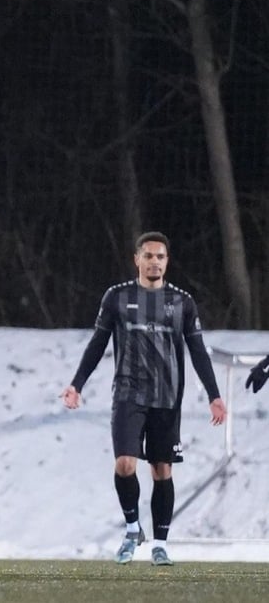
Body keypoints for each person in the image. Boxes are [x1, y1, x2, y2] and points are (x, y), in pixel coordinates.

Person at [62, 231, 227, 567]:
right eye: (148, 256)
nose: (154, 262)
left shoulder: (182, 302)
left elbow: (197, 351)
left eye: (160, 256)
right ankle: (132, 528)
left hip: (166, 398)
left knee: (161, 470)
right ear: (136, 259)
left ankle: (160, 543)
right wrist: (77, 384)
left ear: (167, 261)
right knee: (125, 464)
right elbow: (98, 343)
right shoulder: (117, 298)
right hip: (127, 394)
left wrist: (215, 396)